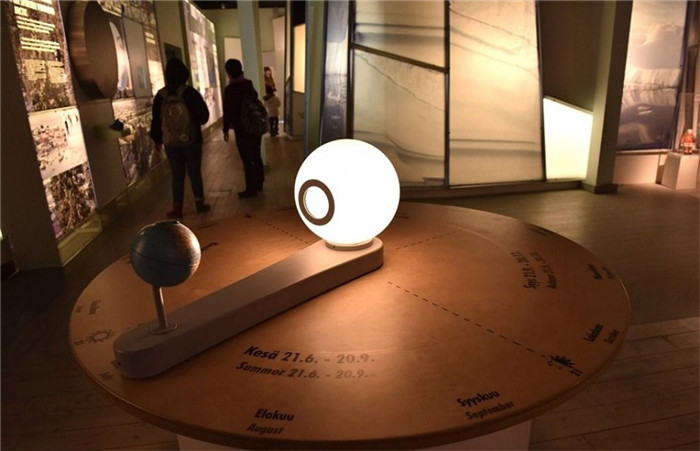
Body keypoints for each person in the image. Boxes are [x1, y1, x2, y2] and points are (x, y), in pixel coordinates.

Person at [150, 57, 210, 218]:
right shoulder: (190, 93)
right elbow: (204, 116)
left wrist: (157, 140)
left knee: (177, 174)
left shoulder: (161, 96)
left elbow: (156, 120)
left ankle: (178, 209)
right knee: (194, 172)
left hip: (171, 142)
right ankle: (200, 204)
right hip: (192, 139)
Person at [222, 58, 264, 198]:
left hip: (241, 128)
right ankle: (259, 182)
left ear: (228, 72)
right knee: (256, 154)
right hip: (254, 125)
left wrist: (225, 129)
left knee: (246, 159)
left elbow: (227, 110)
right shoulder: (248, 84)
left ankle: (251, 189)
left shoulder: (230, 89)